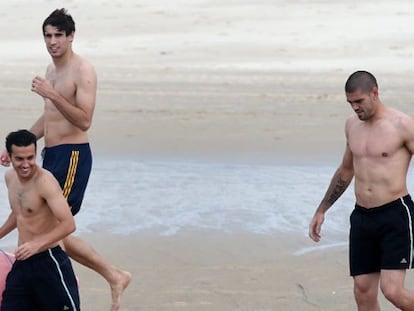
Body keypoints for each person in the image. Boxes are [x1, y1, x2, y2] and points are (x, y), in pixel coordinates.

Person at [0, 8, 131, 311]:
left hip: (73, 156)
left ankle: (92, 286)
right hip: (50, 154)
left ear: (71, 37)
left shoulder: (83, 71)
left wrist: (52, 94)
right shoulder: (50, 70)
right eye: (48, 35)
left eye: (59, 35)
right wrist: (23, 144)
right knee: (42, 228)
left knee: (52, 230)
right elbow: (50, 117)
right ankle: (112, 276)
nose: (53, 41)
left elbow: (84, 120)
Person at [309, 70, 414, 310]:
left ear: (374, 93)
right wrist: (322, 209)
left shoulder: (403, 125)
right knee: (363, 292)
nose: (355, 108)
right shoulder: (352, 126)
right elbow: (346, 170)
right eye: (350, 103)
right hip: (362, 217)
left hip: (395, 215)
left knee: (392, 291)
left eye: (359, 101)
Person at [0, 129, 79, 310]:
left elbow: (68, 224)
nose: (26, 164)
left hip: (49, 260)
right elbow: (20, 213)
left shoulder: (45, 181)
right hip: (23, 261)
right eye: (20, 159)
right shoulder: (10, 178)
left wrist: (36, 244)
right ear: (10, 157)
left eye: (31, 157)